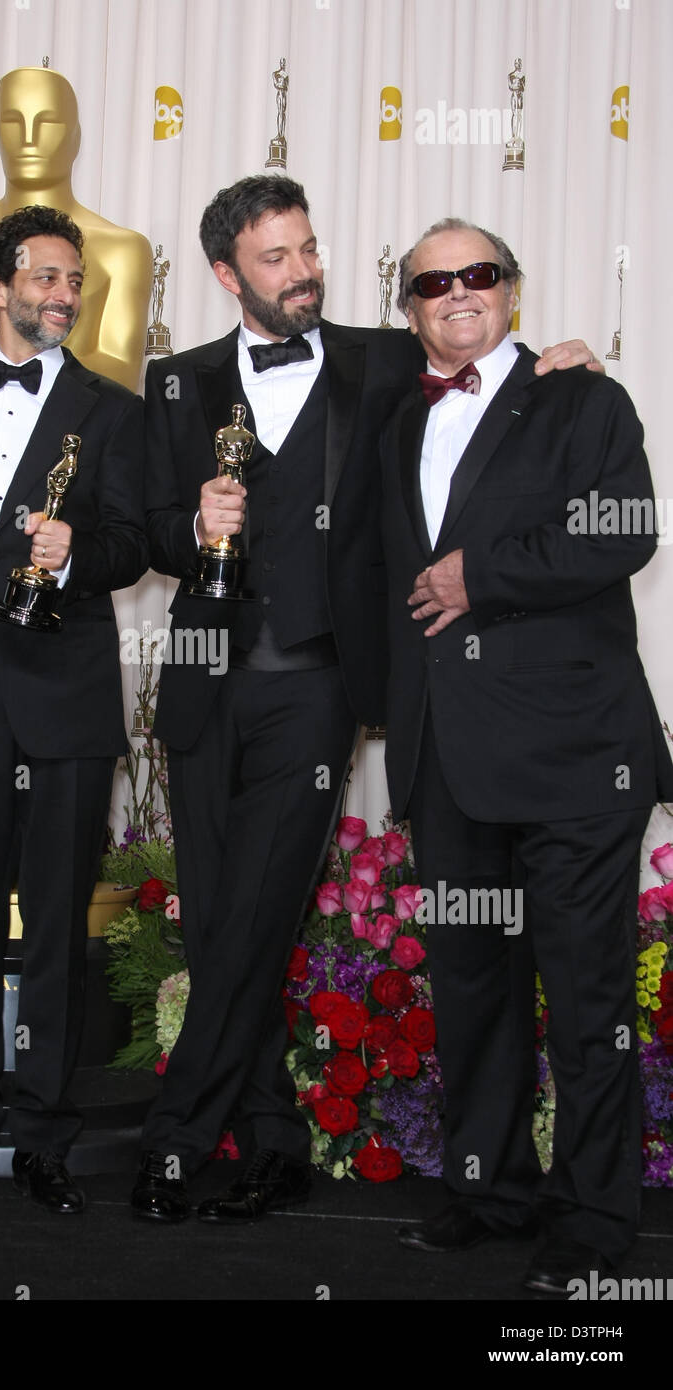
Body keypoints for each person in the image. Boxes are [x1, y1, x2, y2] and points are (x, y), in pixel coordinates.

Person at [133, 175, 598, 1225]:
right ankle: (268, 1138)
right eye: (275, 258)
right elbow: (146, 528)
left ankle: (171, 1138)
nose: (303, 272)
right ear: (224, 275)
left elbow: (483, 370)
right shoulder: (176, 383)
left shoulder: (382, 359)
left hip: (315, 682)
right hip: (205, 684)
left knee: (256, 911)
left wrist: (563, 361)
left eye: (307, 249)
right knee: (217, 923)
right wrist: (185, 526)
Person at [381, 217, 673, 1293]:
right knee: (472, 990)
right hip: (449, 763)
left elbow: (622, 528)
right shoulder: (388, 416)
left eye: (480, 274)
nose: (458, 292)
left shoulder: (579, 397)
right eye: (433, 282)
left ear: (510, 287)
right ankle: (489, 1187)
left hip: (570, 759)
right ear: (406, 305)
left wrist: (480, 575)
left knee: (584, 997)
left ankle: (594, 1222)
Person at [0, 205, 147, 1212]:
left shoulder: (116, 409)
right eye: (43, 277)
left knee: (54, 920)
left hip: (63, 695)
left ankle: (45, 1129)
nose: (62, 294)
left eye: (72, 280)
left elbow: (135, 544)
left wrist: (75, 555)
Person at [0, 66, 151, 390]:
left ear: (75, 138)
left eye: (47, 122)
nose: (28, 138)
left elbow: (119, 378)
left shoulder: (123, 251)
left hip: (73, 436)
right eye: (13, 122)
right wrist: (11, 309)